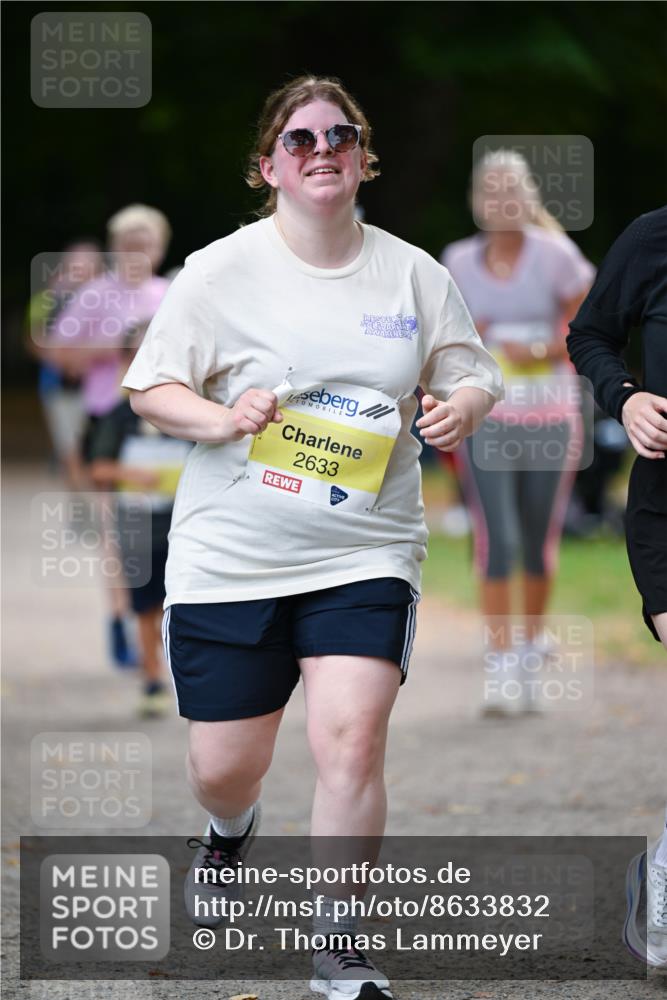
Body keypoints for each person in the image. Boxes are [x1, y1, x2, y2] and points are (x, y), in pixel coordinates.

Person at [122, 75, 503, 1000]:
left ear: (364, 156)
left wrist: (457, 408)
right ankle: (227, 831)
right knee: (223, 766)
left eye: (342, 135)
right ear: (269, 165)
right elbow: (151, 388)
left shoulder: (413, 270)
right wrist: (220, 418)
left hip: (364, 553)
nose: (323, 149)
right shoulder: (219, 270)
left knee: (351, 740)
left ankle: (338, 945)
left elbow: (472, 373)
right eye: (301, 139)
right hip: (232, 557)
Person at [441, 150, 594, 715]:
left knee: (536, 539)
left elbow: (587, 330)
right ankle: (501, 662)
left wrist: (534, 348)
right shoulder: (457, 260)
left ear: (528, 197)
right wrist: (475, 344)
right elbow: (448, 339)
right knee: (496, 538)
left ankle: (530, 646)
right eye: (491, 192)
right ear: (477, 200)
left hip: (551, 416)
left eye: (512, 191)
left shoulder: (556, 256)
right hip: (487, 417)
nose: (502, 202)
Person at [567, 205, 667, 969]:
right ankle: (660, 887)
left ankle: (659, 866)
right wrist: (625, 396)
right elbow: (589, 334)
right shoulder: (654, 236)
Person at [50, 205, 172, 668]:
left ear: (160, 247)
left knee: (164, 529)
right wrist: (117, 346)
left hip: (162, 422)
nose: (138, 250)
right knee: (117, 531)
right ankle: (121, 616)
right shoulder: (95, 295)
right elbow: (61, 354)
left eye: (147, 241)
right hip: (107, 420)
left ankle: (160, 625)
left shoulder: (170, 294)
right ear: (115, 246)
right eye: (129, 242)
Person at [88, 325, 191, 717]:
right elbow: (97, 468)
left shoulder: (187, 409)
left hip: (182, 526)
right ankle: (152, 680)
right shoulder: (117, 416)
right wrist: (134, 476)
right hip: (138, 527)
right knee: (145, 607)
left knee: (180, 605)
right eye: (134, 355)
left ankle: (187, 677)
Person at [26, 240, 103, 491]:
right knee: (70, 449)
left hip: (100, 385)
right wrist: (66, 361)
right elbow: (33, 340)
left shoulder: (107, 298)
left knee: (97, 450)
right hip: (59, 386)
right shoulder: (48, 300)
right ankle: (82, 511)